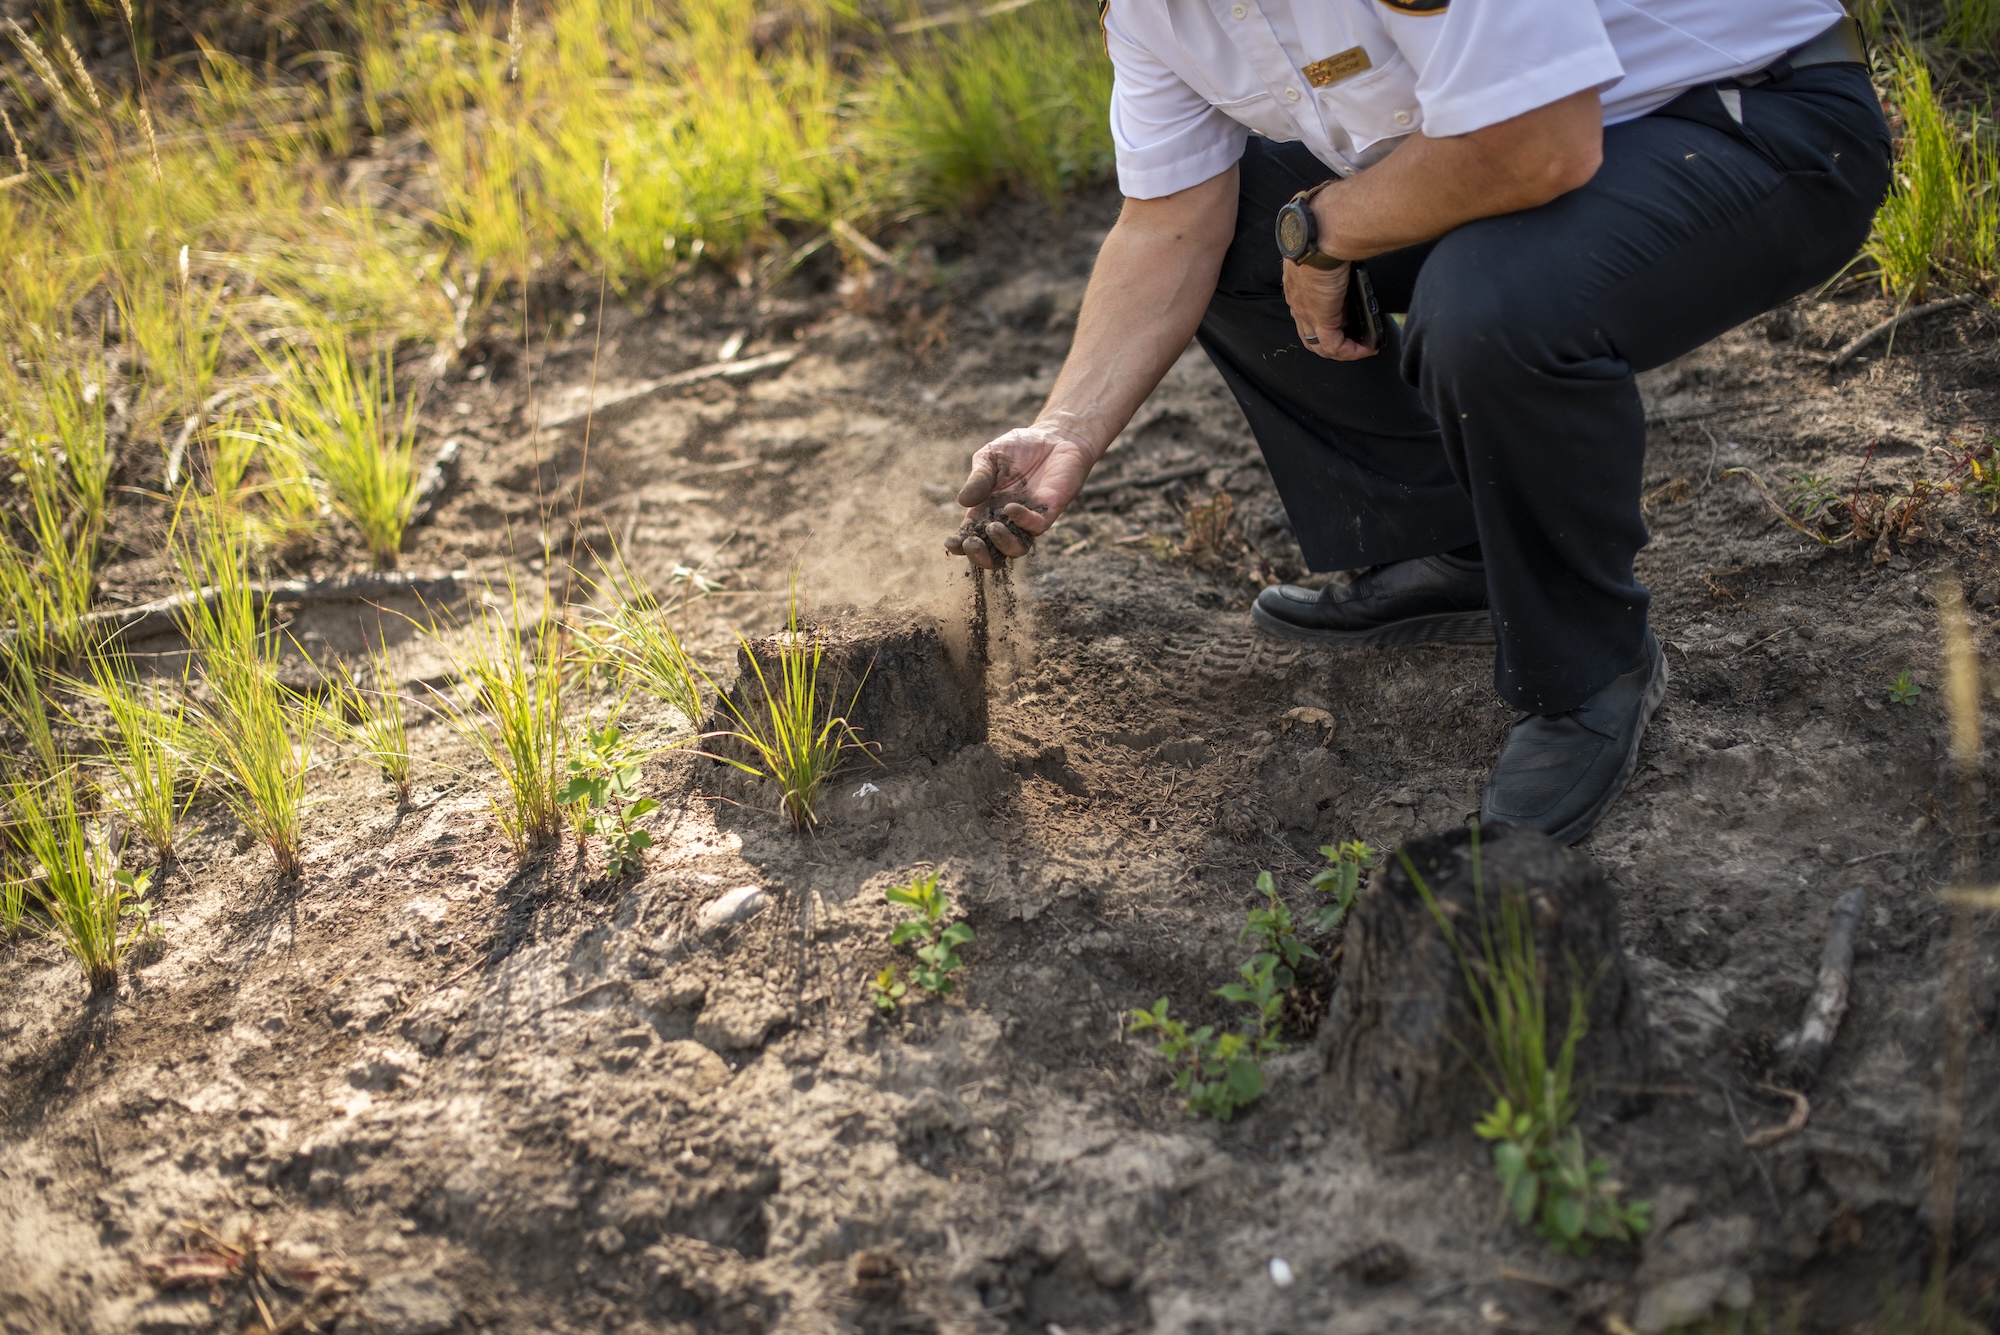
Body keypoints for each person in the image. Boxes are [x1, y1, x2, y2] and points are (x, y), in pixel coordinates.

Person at [943, 0, 1889, 843]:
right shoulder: (1155, 12)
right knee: (1249, 226)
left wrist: (1321, 232)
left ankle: (1588, 672)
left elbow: (1538, 142)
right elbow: (1171, 223)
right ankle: (1459, 553)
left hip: (1750, 116)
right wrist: (1069, 428)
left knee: (1483, 311)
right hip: (1534, 150)